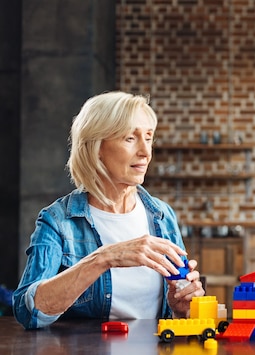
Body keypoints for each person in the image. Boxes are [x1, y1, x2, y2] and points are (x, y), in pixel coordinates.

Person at [13, 91, 205, 330]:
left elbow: (177, 313)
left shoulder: (162, 215)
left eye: (149, 137)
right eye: (129, 138)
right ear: (96, 147)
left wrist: (182, 307)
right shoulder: (58, 220)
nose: (146, 152)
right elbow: (27, 311)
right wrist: (104, 258)